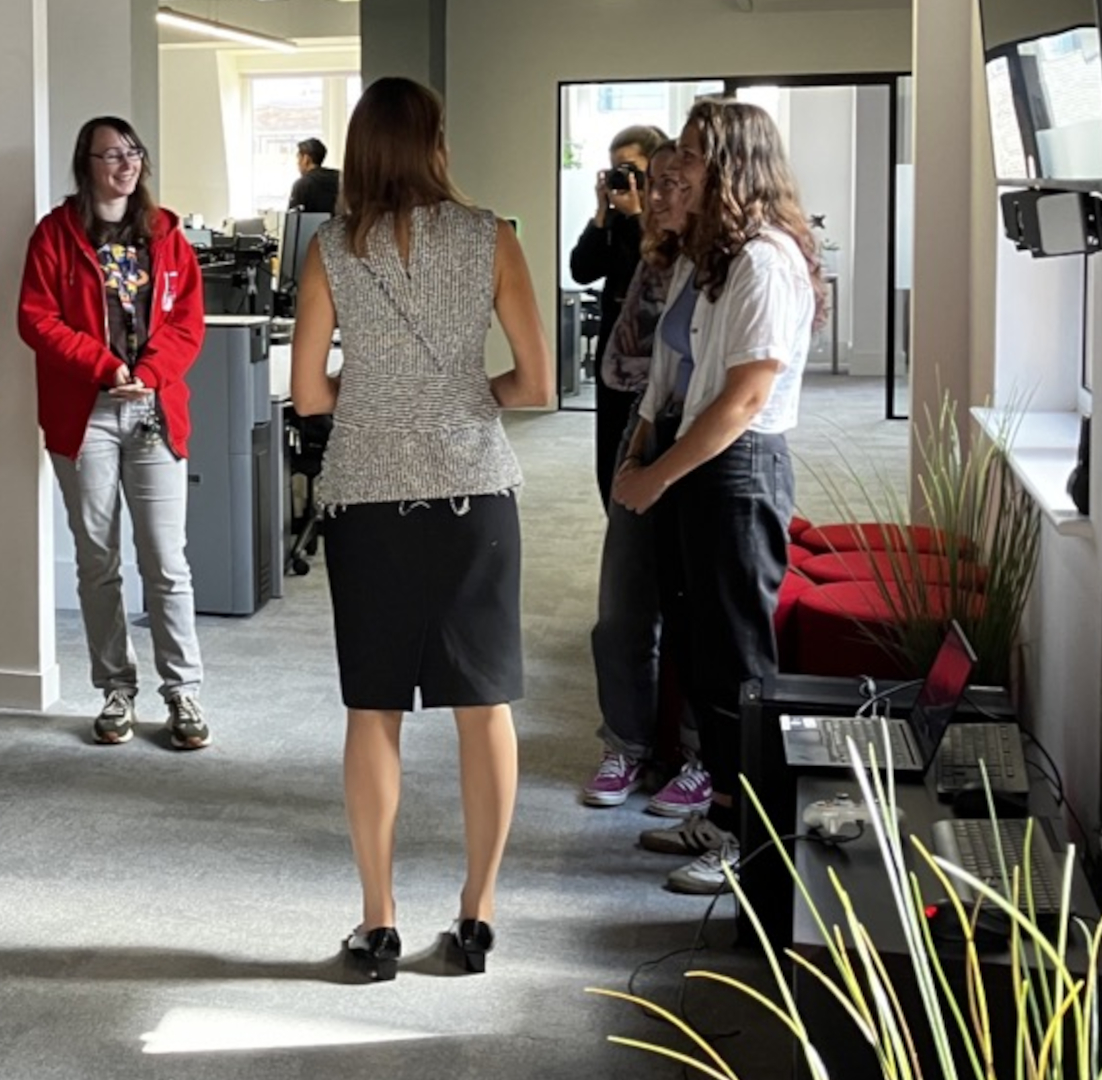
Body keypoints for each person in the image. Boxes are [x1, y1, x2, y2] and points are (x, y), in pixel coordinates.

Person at [290, 76, 554, 981]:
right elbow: (538, 384)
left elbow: (309, 394)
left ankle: (378, 923)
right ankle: (477, 917)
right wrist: (461, 401)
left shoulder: (330, 248)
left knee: (374, 708)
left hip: (367, 498)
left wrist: (382, 405)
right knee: (485, 709)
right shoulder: (494, 240)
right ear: (436, 141)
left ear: (360, 150)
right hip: (475, 495)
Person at [613, 98, 824, 895]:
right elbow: (677, 380)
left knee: (740, 668)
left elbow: (741, 399)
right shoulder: (720, 258)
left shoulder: (766, 260)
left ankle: (753, 840)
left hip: (735, 473)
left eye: (695, 154)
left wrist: (657, 476)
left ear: (733, 163)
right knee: (705, 658)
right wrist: (651, 459)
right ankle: (728, 811)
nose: (678, 168)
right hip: (699, 467)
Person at [18, 117, 211, 750]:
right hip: (87, 415)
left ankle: (182, 690)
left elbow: (187, 322)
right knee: (98, 558)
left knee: (165, 558)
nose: (124, 165)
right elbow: (36, 319)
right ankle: (115, 688)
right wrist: (107, 367)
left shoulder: (167, 235)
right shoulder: (55, 234)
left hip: (153, 409)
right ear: (86, 165)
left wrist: (150, 374)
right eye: (109, 155)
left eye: (132, 153)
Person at [580, 140, 711, 818]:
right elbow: (585, 273)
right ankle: (626, 745)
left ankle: (696, 757)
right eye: (648, 183)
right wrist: (612, 216)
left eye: (671, 185)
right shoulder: (656, 251)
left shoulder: (728, 264)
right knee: (621, 607)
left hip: (705, 442)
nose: (656, 196)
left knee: (695, 613)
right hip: (640, 418)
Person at [570, 125, 666, 506]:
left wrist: (635, 217)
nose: (621, 178)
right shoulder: (613, 220)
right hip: (614, 355)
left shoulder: (665, 220)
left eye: (630, 169)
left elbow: (650, 269)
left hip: (650, 360)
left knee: (641, 452)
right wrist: (600, 215)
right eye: (614, 169)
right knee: (609, 457)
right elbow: (581, 269)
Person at [289, 137, 341, 214]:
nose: (297, 163)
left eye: (298, 158)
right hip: (339, 225)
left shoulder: (302, 184)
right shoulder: (340, 177)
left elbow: (292, 218)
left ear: (306, 159)